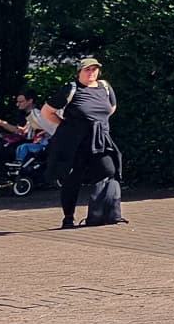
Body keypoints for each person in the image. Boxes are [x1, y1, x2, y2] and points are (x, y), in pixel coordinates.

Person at [45, 57, 123, 228]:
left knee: (108, 170)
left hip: (99, 140)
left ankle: (100, 214)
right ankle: (68, 217)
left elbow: (111, 109)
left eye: (94, 69)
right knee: (72, 179)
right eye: (87, 69)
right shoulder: (71, 89)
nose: (91, 73)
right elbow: (47, 112)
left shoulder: (105, 87)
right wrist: (68, 127)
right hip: (75, 143)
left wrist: (97, 124)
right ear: (79, 72)